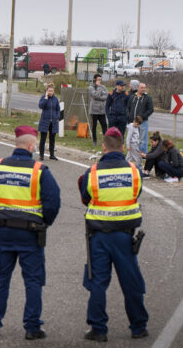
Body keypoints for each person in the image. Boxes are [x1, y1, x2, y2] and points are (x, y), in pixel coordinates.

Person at [0, 125, 60, 340]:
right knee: (33, 281)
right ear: (32, 146)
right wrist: (44, 222)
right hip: (31, 234)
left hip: (2, 232)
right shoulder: (39, 171)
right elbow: (53, 202)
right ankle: (32, 327)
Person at [78, 127, 149, 342]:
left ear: (104, 146)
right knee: (131, 281)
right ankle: (138, 326)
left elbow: (85, 197)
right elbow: (136, 193)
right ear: (123, 147)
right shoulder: (134, 171)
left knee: (98, 282)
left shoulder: (93, 171)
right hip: (125, 236)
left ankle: (98, 329)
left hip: (99, 235)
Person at [126, 82, 153, 154]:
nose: (143, 89)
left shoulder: (148, 98)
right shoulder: (132, 97)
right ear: (138, 88)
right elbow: (127, 107)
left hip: (142, 122)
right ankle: (133, 153)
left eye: (144, 88)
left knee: (142, 139)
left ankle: (142, 154)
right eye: (142, 88)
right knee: (133, 139)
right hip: (133, 122)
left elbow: (151, 109)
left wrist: (142, 117)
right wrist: (128, 116)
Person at [38, 83, 60, 161]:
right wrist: (46, 98)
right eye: (49, 91)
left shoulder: (56, 99)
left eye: (52, 91)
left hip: (53, 122)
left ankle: (52, 154)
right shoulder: (44, 97)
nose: (51, 92)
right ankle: (41, 155)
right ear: (47, 91)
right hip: (45, 121)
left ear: (54, 91)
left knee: (52, 138)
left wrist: (57, 116)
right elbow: (41, 106)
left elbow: (58, 109)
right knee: (43, 138)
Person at [88, 74, 108, 146]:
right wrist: (99, 88)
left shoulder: (103, 87)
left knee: (104, 125)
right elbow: (95, 95)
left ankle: (106, 141)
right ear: (95, 79)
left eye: (100, 79)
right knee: (94, 126)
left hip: (102, 110)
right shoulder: (91, 87)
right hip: (94, 110)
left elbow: (106, 96)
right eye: (98, 79)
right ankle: (94, 141)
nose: (100, 81)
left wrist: (99, 97)